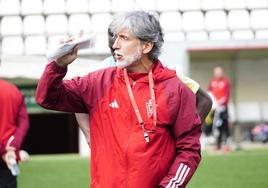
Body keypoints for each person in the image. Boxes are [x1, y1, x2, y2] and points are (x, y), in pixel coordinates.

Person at [36, 11, 202, 188]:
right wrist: (58, 65)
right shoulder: (97, 82)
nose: (115, 45)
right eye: (115, 38)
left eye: (124, 38)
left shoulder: (175, 89)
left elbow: (189, 150)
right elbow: (47, 97)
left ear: (146, 46)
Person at [75, 27, 212, 145]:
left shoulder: (165, 71)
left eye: (122, 41)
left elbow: (205, 101)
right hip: (118, 158)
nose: (116, 49)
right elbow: (78, 100)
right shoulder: (101, 73)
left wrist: (185, 136)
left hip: (155, 157)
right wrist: (90, 138)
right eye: (113, 46)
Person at [0, 77, 30, 188]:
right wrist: (13, 147)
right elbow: (24, 122)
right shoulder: (13, 90)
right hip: (9, 158)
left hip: (7, 156)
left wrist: (3, 151)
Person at [208, 65, 231, 151]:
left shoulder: (226, 82)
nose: (218, 73)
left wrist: (221, 103)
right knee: (216, 127)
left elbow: (227, 95)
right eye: (216, 71)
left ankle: (226, 145)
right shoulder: (212, 82)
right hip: (215, 108)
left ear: (222, 72)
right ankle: (217, 144)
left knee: (225, 126)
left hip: (223, 108)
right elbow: (209, 93)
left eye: (219, 71)